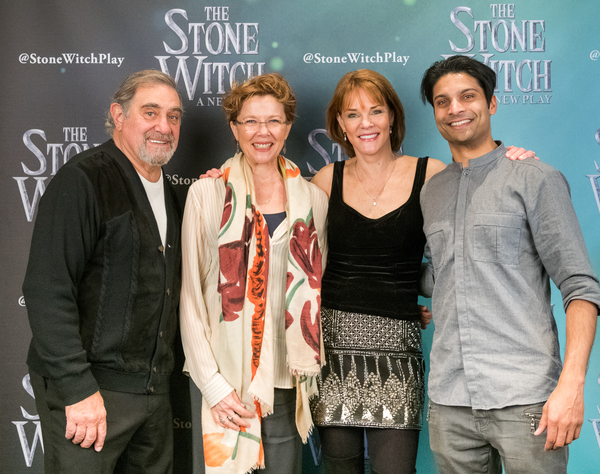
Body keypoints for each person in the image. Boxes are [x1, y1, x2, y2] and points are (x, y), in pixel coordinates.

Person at [419, 55, 600, 474]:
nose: (455, 109)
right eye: (443, 101)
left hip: (527, 400)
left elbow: (580, 287)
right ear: (434, 112)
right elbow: (439, 277)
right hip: (450, 403)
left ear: (492, 104)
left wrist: (571, 385)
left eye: (468, 96)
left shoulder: (534, 178)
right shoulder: (433, 192)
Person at [22, 70, 184, 473]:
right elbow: (47, 289)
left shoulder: (171, 192)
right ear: (118, 114)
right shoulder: (82, 180)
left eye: (174, 116)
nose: (164, 126)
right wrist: (78, 390)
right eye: (150, 112)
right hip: (89, 396)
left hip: (153, 398)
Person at [179, 73, 328, 473]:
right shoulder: (207, 194)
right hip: (222, 378)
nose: (263, 132)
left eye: (274, 121)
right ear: (234, 128)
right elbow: (191, 298)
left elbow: (320, 287)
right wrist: (212, 384)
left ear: (288, 127)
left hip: (285, 379)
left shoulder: (313, 199)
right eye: (250, 121)